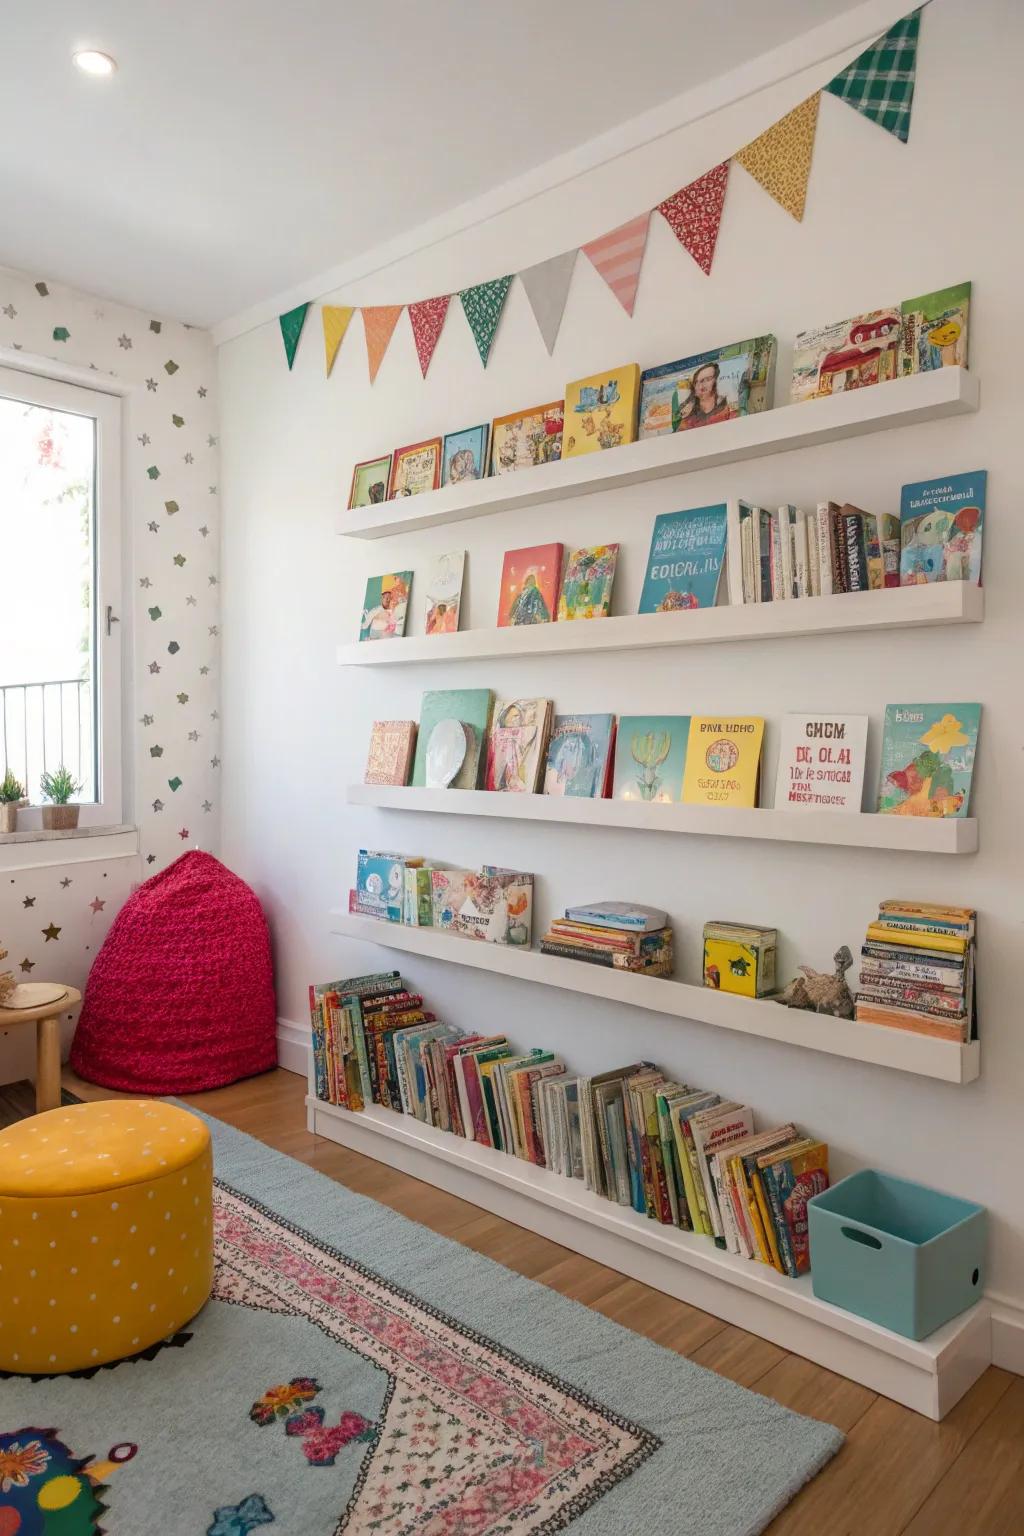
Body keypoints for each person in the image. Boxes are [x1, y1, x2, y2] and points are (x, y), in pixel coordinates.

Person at [686, 361, 734, 427]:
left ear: (717, 380)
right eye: (697, 382)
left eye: (707, 379)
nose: (701, 387)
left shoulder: (728, 409)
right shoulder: (688, 414)